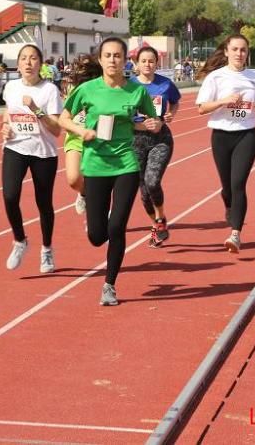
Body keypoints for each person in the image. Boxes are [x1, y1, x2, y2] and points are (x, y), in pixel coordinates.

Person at [59, 37, 160, 306]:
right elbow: (64, 118)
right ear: (100, 60)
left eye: (118, 55)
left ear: (126, 60)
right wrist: (82, 131)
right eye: (108, 55)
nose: (113, 60)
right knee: (96, 236)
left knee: (117, 226)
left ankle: (109, 285)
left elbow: (152, 121)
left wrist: (152, 124)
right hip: (95, 164)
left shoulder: (136, 92)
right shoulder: (87, 90)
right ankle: (91, 213)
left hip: (125, 163)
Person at [195, 34, 255, 253]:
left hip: (246, 135)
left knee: (238, 184)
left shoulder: (254, 76)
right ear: (227, 52)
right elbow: (201, 108)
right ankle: (228, 204)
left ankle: (235, 234)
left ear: (248, 53)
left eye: (243, 50)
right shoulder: (216, 77)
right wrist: (223, 101)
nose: (239, 54)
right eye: (235, 49)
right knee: (227, 187)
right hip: (221, 136)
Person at [0, 44, 63, 273]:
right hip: (15, 147)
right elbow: (8, 112)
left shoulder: (50, 91)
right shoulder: (11, 87)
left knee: (43, 203)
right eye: (24, 58)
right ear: (18, 64)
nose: (28, 62)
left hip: (43, 153)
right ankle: (20, 240)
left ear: (41, 64)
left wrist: (36, 109)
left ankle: (46, 250)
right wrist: (5, 126)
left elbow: (56, 130)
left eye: (33, 58)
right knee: (9, 196)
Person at [130, 46, 181, 247]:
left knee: (152, 181)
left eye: (151, 61)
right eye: (144, 61)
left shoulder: (166, 84)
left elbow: (175, 103)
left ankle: (160, 218)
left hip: (161, 139)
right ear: (137, 64)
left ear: (156, 64)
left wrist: (170, 115)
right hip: (136, 140)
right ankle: (157, 224)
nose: (148, 65)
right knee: (143, 192)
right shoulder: (129, 86)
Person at [62, 54, 103, 217]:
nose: (80, 71)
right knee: (73, 179)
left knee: (99, 183)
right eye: (79, 67)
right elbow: (64, 117)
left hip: (99, 140)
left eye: (84, 68)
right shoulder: (71, 89)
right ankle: (83, 194)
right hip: (76, 139)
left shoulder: (103, 88)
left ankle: (99, 215)